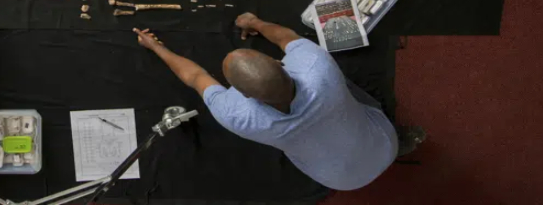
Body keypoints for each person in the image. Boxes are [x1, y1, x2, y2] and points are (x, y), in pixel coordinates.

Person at [132, 13, 399, 191]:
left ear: (244, 94)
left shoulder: (237, 116)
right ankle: (402, 142)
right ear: (278, 63)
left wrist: (157, 47)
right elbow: (286, 37)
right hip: (387, 144)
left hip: (341, 181)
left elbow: (195, 77)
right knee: (343, 87)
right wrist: (254, 22)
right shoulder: (317, 66)